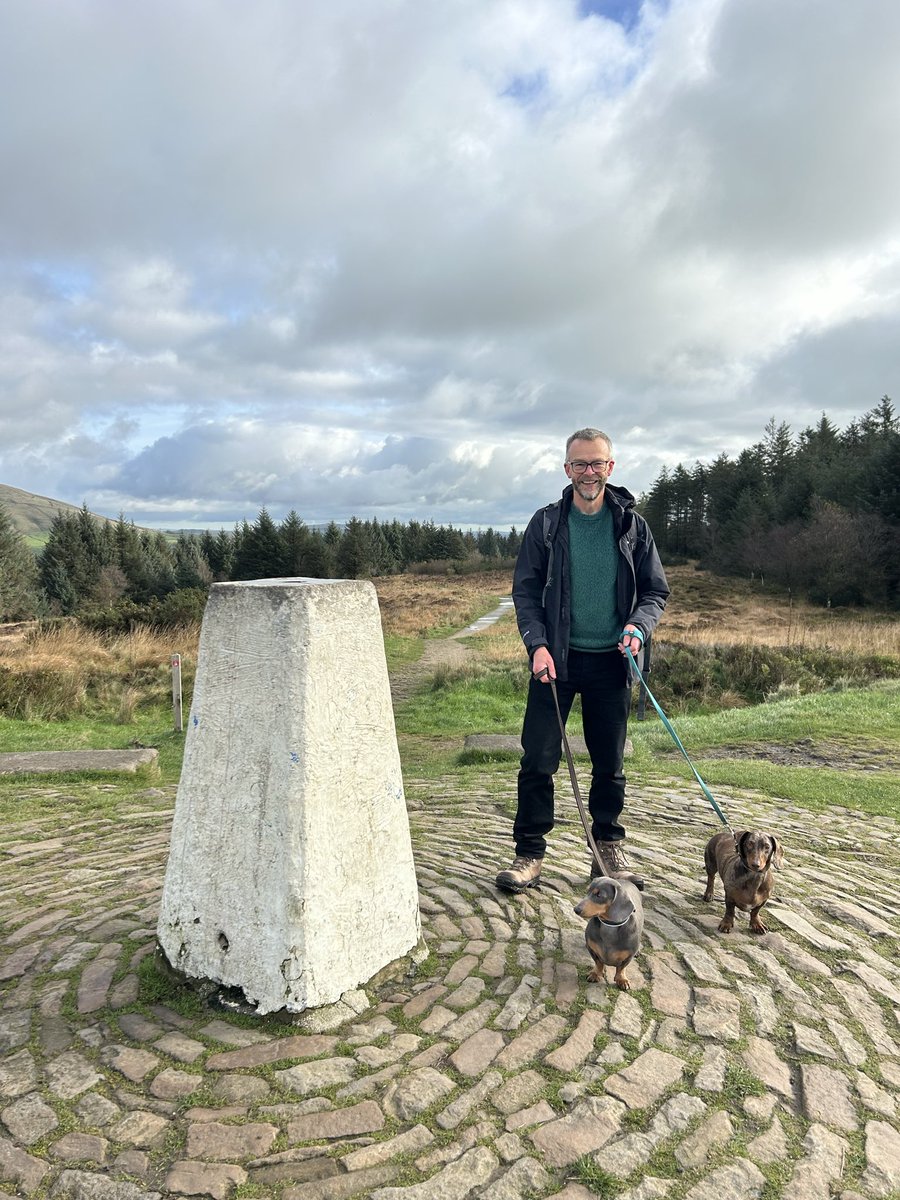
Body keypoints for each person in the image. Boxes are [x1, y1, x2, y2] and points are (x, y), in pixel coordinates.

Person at [495, 427, 670, 892]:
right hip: (556, 663)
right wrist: (538, 646)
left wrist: (639, 626)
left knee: (609, 763)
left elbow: (655, 591)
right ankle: (529, 853)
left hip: (612, 664)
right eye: (579, 464)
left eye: (596, 464)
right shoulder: (547, 524)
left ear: (611, 468)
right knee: (538, 759)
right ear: (566, 468)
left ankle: (606, 850)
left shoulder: (633, 526)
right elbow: (526, 592)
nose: (588, 472)